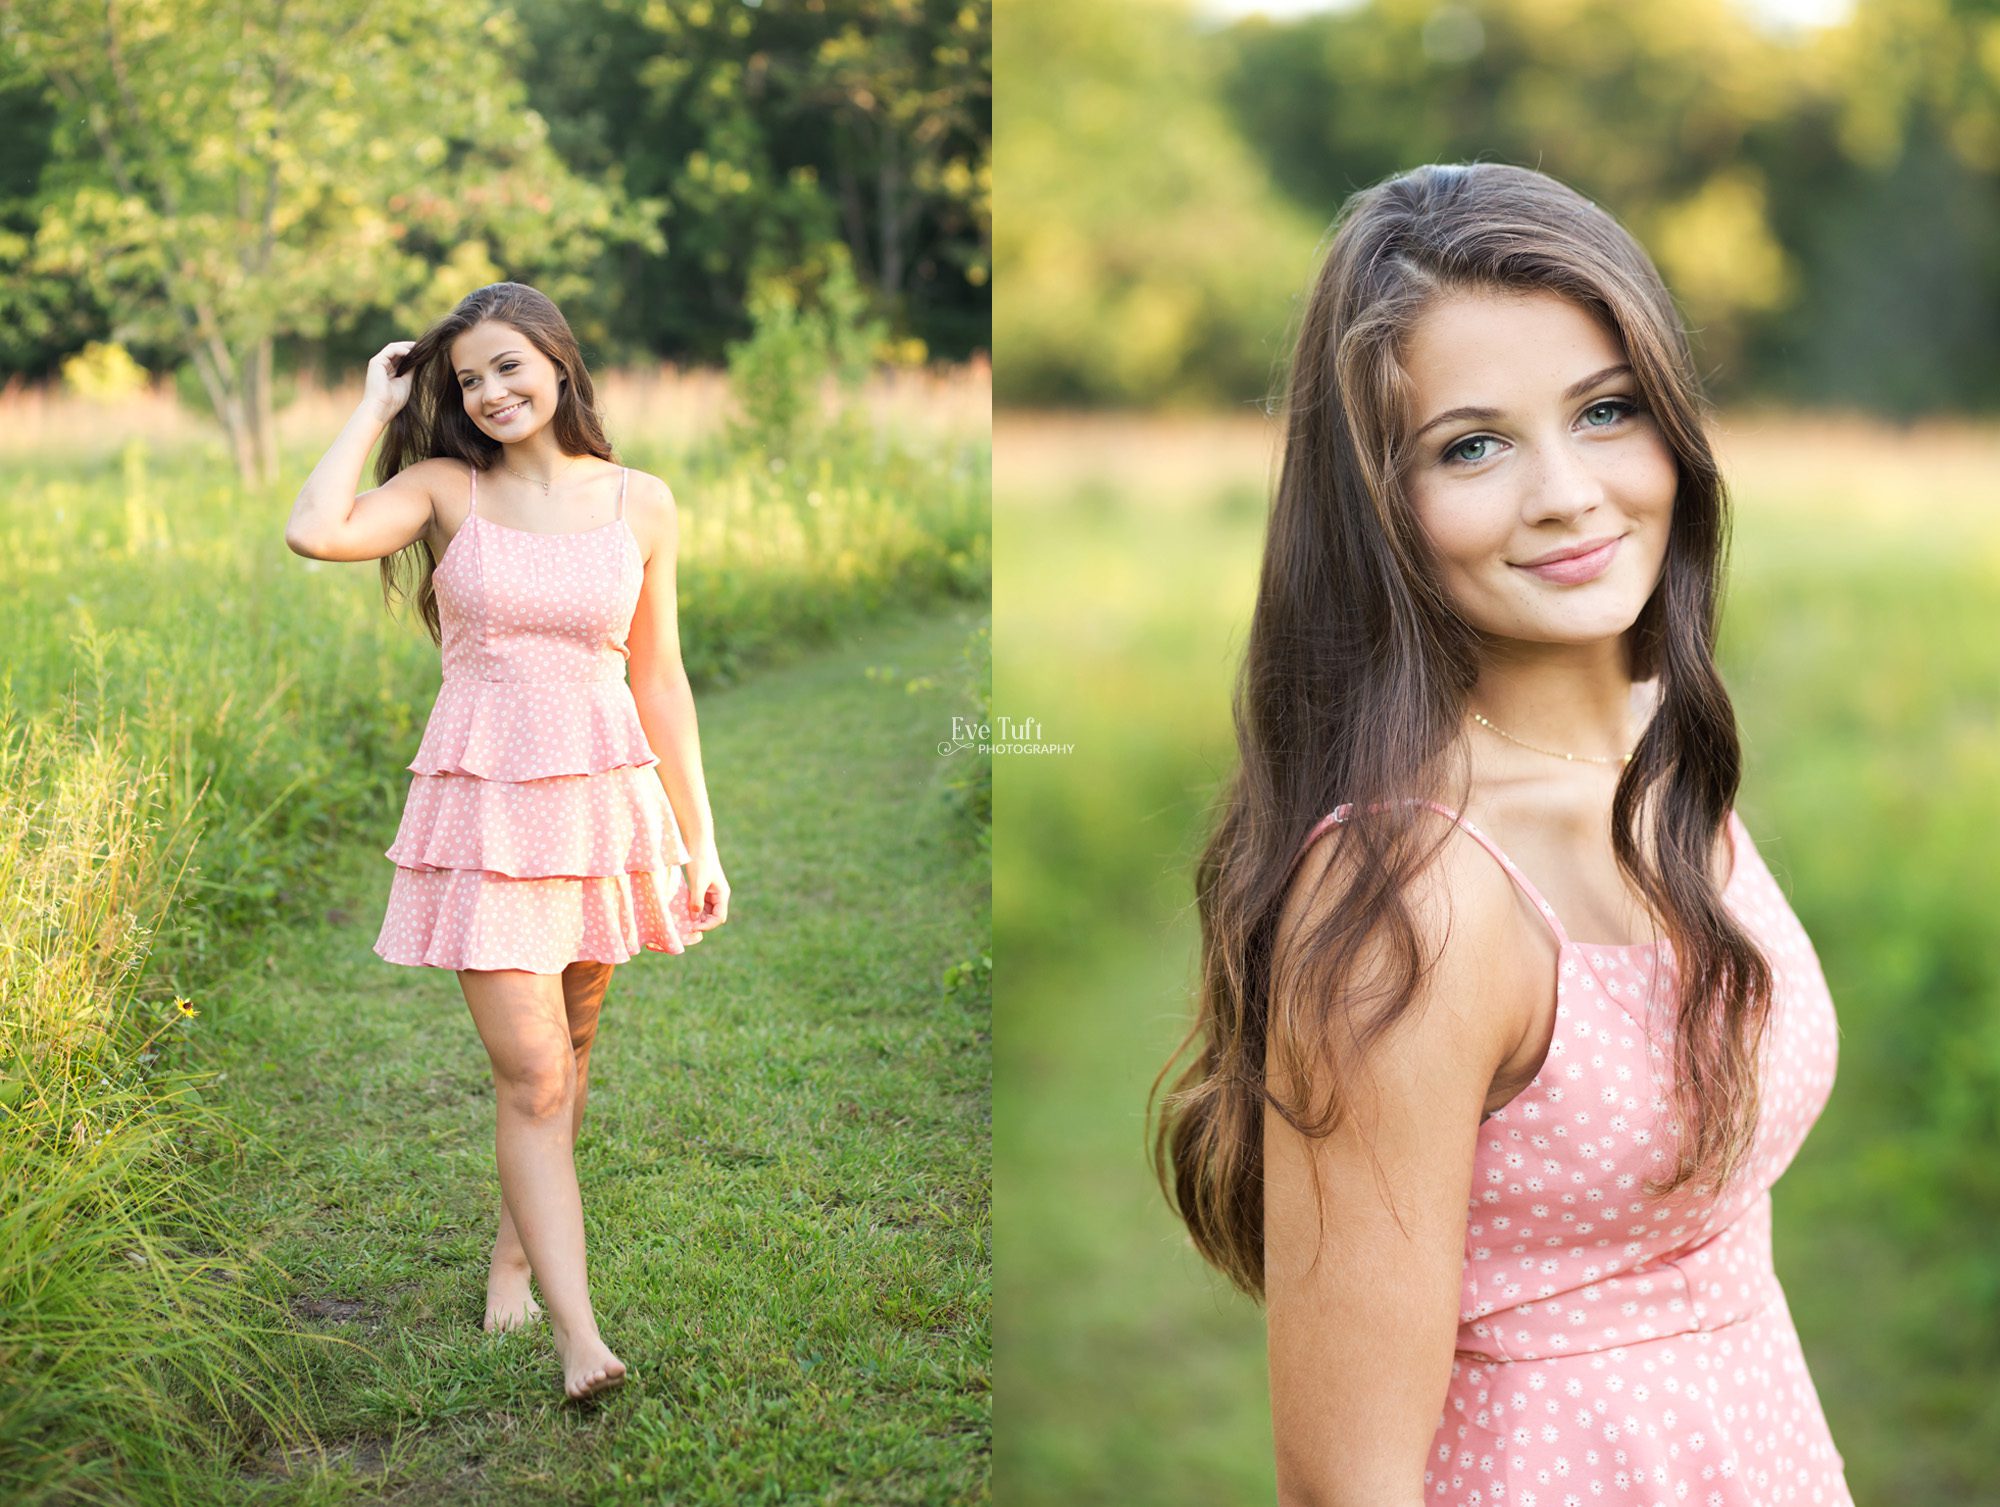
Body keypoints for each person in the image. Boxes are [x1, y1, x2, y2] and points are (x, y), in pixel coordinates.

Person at [1150, 164, 1851, 1504]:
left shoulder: (1662, 746)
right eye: (1472, 445)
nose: (1568, 494)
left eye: (1605, 410)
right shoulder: (1416, 900)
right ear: (1378, 503)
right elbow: (1344, 1483)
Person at [284, 281, 731, 1401]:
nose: (488, 393)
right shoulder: (442, 488)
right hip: (483, 802)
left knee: (570, 1049)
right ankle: (582, 1342)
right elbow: (314, 530)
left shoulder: (642, 502)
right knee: (529, 1070)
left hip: (598, 799)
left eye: (506, 368)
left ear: (558, 363)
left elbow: (659, 677)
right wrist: (375, 406)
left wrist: (700, 839)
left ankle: (513, 1252)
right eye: (467, 378)